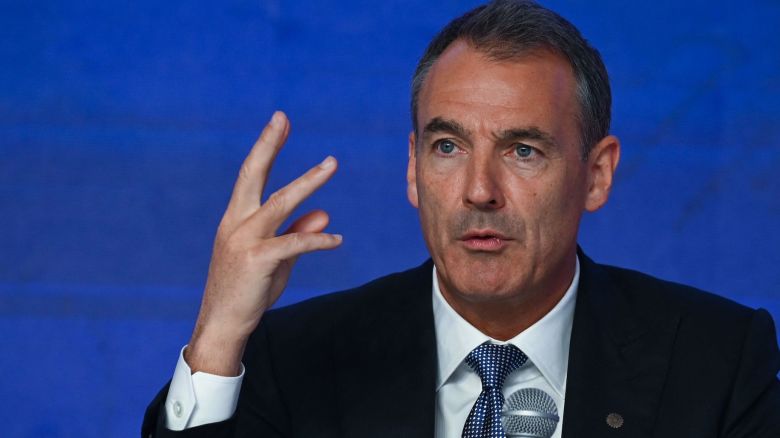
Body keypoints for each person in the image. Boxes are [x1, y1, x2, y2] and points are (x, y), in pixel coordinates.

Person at [143, 1, 780, 437]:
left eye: (522, 150)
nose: (479, 190)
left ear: (597, 174)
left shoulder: (717, 361)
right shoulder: (296, 360)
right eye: (447, 147)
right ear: (414, 170)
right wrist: (218, 338)